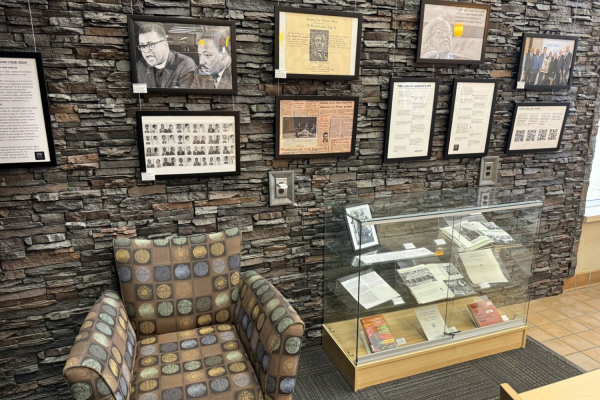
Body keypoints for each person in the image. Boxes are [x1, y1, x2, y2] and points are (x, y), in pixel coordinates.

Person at [134, 22, 196, 88]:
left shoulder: (186, 65)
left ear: (165, 45)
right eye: (143, 46)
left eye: (151, 45)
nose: (146, 51)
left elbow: (185, 97)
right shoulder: (140, 66)